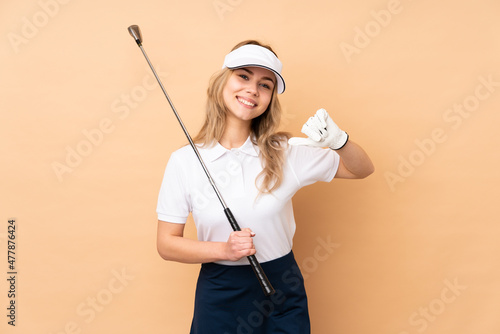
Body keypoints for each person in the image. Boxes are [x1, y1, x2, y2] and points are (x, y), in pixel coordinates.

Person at [156, 40, 374, 333]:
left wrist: (340, 141)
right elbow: (167, 243)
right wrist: (224, 249)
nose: (252, 90)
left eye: (265, 84)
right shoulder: (184, 161)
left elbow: (362, 169)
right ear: (223, 81)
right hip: (220, 292)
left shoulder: (286, 151)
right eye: (243, 76)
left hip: (281, 287)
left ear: (270, 97)